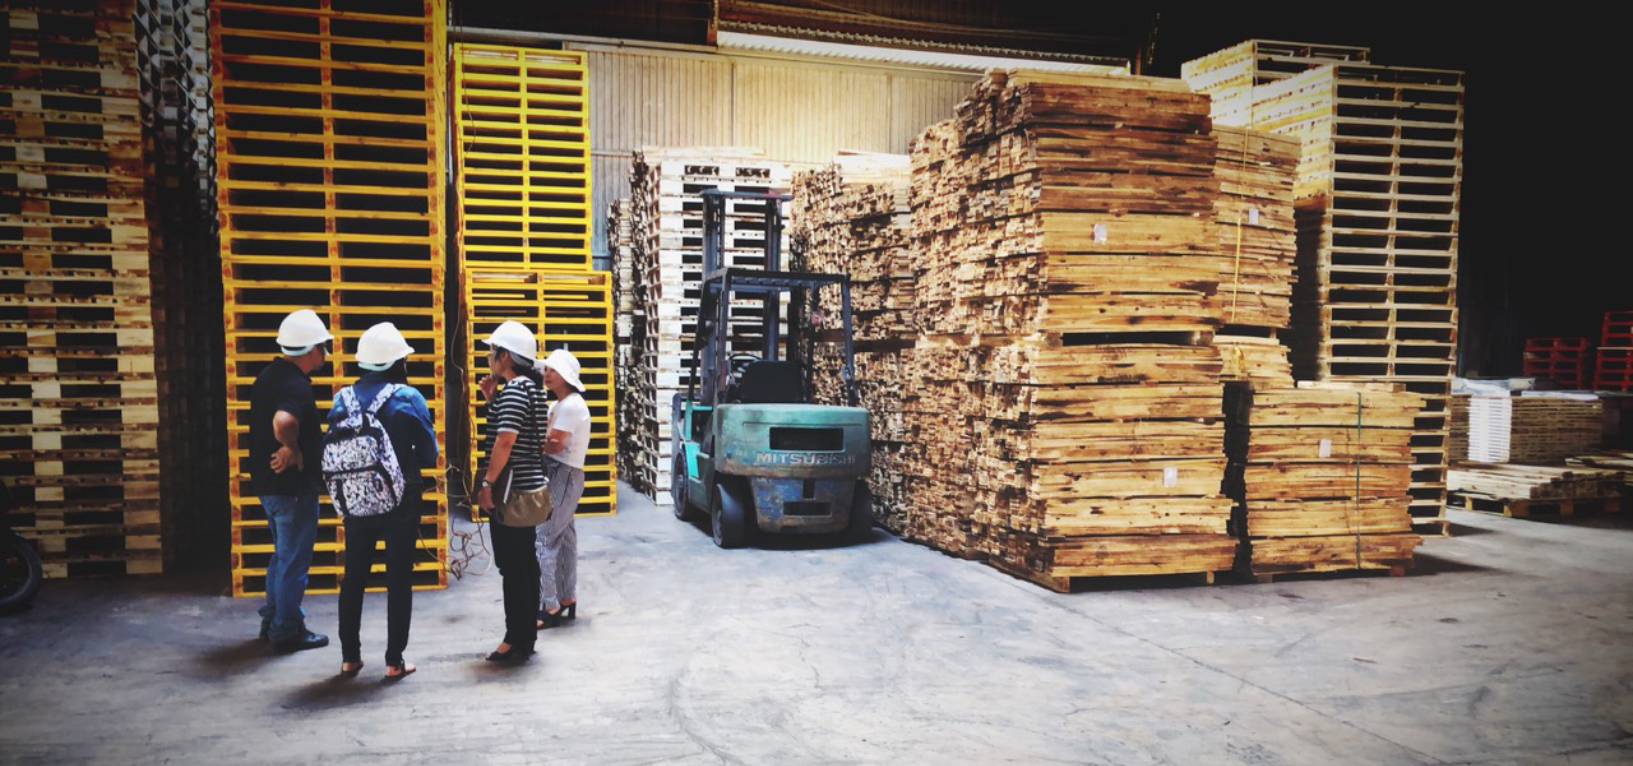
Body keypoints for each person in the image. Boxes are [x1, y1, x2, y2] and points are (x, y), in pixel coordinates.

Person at [326, 323, 438, 680]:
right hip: (401, 500)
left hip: (356, 500)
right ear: (397, 363)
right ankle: (394, 661)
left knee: (354, 576)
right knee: (398, 577)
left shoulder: (342, 399)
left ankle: (350, 658)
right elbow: (430, 455)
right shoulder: (408, 398)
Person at [250, 309, 332, 652]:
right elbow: (284, 421)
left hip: (269, 486)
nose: (326, 353)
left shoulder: (269, 376)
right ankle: (286, 630)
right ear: (311, 349)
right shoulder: (295, 385)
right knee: (294, 561)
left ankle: (272, 621)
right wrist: (292, 447)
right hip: (291, 489)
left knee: (282, 556)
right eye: (323, 346)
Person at [476, 321, 548, 664]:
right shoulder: (530, 389)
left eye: (493, 352)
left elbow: (505, 442)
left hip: (511, 491)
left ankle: (514, 638)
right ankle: (526, 635)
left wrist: (487, 485)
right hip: (528, 488)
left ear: (506, 357)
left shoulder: (517, 391)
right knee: (525, 563)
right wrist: (492, 399)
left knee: (513, 567)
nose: (490, 357)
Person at [535, 348, 591, 630]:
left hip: (563, 473)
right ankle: (567, 597)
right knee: (565, 537)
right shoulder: (562, 404)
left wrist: (532, 444)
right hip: (564, 473)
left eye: (553, 371)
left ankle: (548, 605)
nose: (547, 374)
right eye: (546, 369)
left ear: (566, 376)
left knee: (543, 538)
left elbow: (555, 444)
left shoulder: (570, 406)